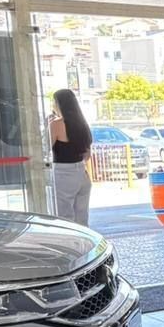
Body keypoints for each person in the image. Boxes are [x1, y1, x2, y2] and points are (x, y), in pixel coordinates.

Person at [49, 89, 93, 226]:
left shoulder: (56, 124)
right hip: (82, 173)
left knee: (64, 218)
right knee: (82, 218)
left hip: (63, 173)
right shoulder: (82, 124)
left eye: (53, 102)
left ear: (59, 104)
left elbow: (45, 148)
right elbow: (87, 155)